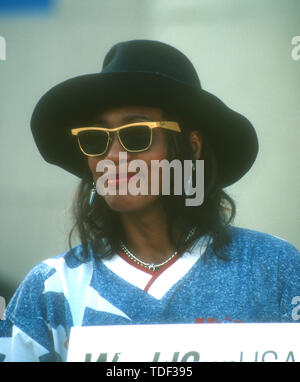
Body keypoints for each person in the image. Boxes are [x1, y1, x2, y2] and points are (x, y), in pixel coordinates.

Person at [0, 39, 299, 362]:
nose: (113, 156)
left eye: (137, 134)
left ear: (192, 146)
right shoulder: (51, 289)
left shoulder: (273, 268)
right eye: (95, 139)